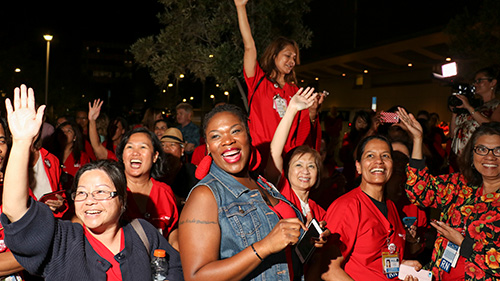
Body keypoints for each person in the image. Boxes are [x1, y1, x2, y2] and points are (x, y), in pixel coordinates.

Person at [0, 84, 183, 281]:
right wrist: (21, 142)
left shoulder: (144, 234)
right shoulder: (64, 241)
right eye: (82, 193)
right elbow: (16, 211)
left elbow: (175, 269)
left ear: (122, 199)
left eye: (101, 192)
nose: (90, 200)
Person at [179, 104, 327, 281]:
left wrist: (307, 239)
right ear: (209, 146)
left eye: (235, 131)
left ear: (248, 136)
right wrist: (265, 246)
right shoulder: (205, 195)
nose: (227, 141)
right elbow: (196, 277)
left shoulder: (262, 183)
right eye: (216, 136)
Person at [400, 107, 500, 280]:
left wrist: (464, 244)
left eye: (498, 150)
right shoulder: (459, 184)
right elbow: (419, 192)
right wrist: (417, 140)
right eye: (482, 149)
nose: (489, 157)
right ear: (472, 153)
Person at [234, 0, 323, 171]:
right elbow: (249, 47)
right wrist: (240, 7)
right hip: (258, 158)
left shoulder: (296, 91)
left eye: (294, 58)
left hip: (286, 163)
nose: (292, 61)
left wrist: (313, 112)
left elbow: (303, 132)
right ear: (274, 55)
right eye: (287, 55)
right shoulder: (258, 80)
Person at [321, 135, 422, 281]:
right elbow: (328, 269)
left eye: (385, 156)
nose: (379, 161)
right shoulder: (347, 207)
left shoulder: (391, 207)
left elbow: (378, 260)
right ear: (358, 166)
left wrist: (402, 267)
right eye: (370, 155)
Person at [267, 87, 326, 221]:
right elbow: (274, 152)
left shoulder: (319, 211)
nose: (305, 171)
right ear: (287, 170)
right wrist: (292, 109)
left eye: (311, 166)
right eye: (298, 165)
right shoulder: (281, 192)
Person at [116, 127, 179, 244]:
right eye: (130, 147)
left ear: (155, 157)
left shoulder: (165, 192)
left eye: (143, 147)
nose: (135, 152)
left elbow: (173, 231)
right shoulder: (112, 190)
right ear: (123, 156)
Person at [450, 65, 500, 158]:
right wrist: (454, 112)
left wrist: (469, 107)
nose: (475, 84)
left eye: (479, 81)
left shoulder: (496, 105)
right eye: (475, 81)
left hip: (479, 157)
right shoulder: (474, 105)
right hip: (459, 158)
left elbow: (493, 128)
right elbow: (453, 135)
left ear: (493, 83)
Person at [159, 128, 198, 211]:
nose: (166, 148)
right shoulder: (156, 170)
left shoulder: (190, 171)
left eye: (172, 145)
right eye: (163, 145)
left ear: (182, 150)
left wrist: (179, 201)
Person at [339, 110, 374, 190]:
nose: (362, 125)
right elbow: (347, 155)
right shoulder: (348, 136)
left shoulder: (370, 137)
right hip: (350, 169)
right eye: (359, 122)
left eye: (364, 123)